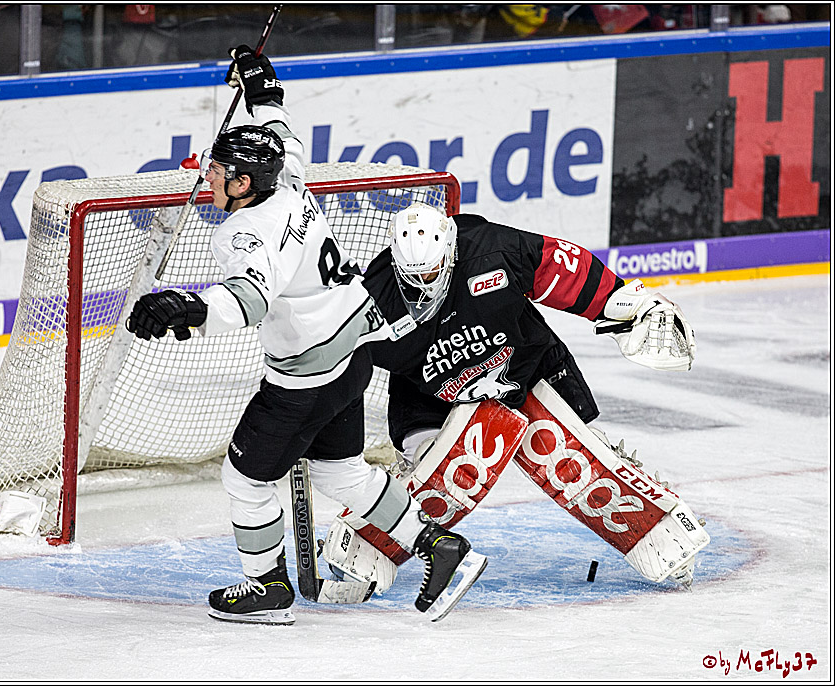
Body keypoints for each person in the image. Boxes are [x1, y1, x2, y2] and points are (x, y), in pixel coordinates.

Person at [125, 48, 487, 625]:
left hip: (306, 376)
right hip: (355, 351)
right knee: (341, 473)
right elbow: (280, 131)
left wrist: (184, 308)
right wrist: (261, 88)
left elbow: (247, 300)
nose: (206, 176)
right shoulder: (288, 181)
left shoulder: (245, 233)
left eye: (217, 172)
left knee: (243, 480)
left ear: (244, 183)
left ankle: (265, 588)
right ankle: (443, 550)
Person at [322, 201, 706, 592]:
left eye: (433, 271)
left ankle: (659, 529)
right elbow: (334, 364)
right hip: (430, 396)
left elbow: (564, 268)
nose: (424, 284)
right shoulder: (373, 301)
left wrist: (624, 303)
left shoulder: (494, 251)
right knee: (442, 477)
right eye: (414, 275)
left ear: (451, 253)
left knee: (576, 457)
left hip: (526, 367)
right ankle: (369, 542)